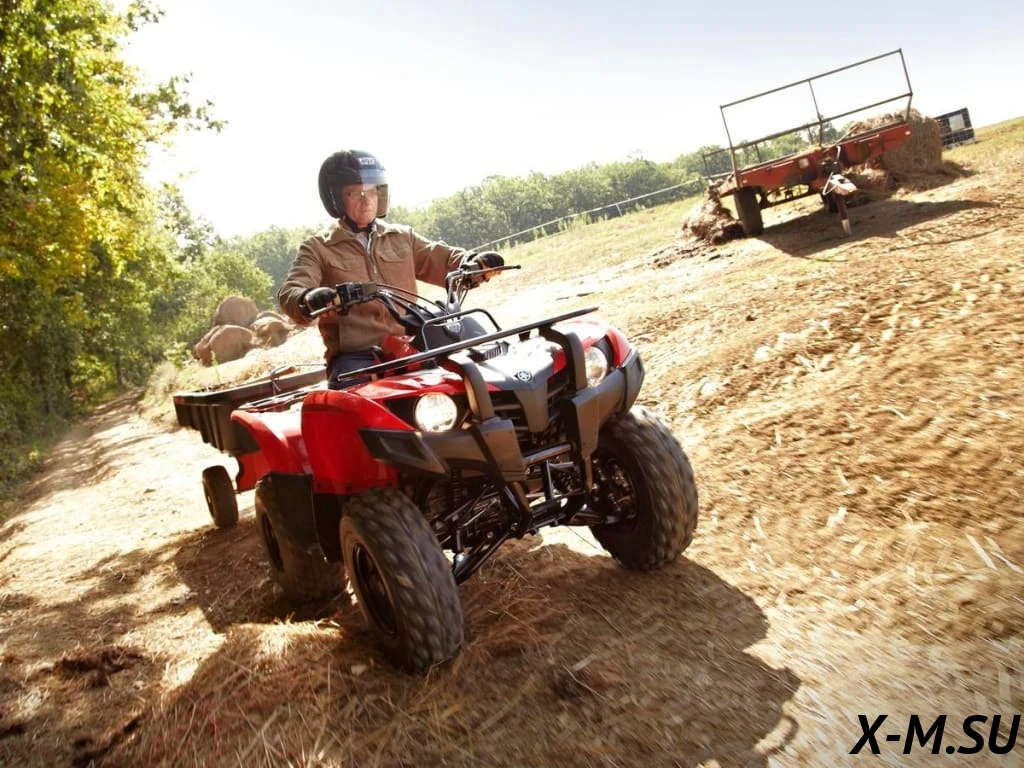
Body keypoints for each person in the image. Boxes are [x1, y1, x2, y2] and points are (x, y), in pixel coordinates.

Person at [278, 150, 503, 389]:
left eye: (372, 191)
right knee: (356, 397)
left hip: (414, 341)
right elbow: (291, 291)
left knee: (477, 369)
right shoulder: (318, 248)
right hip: (357, 357)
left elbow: (441, 257)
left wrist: (473, 262)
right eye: (355, 193)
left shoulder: (402, 237)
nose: (367, 200)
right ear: (335, 198)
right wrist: (308, 298)